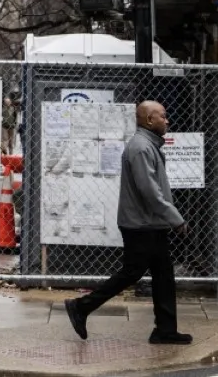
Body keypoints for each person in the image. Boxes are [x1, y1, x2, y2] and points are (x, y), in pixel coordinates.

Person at [64, 100, 191, 346]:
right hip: (141, 226)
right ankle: (81, 306)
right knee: (131, 273)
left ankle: (165, 330)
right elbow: (150, 192)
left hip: (150, 224)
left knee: (163, 276)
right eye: (163, 116)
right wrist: (176, 219)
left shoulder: (147, 145)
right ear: (149, 120)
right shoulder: (141, 148)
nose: (168, 120)